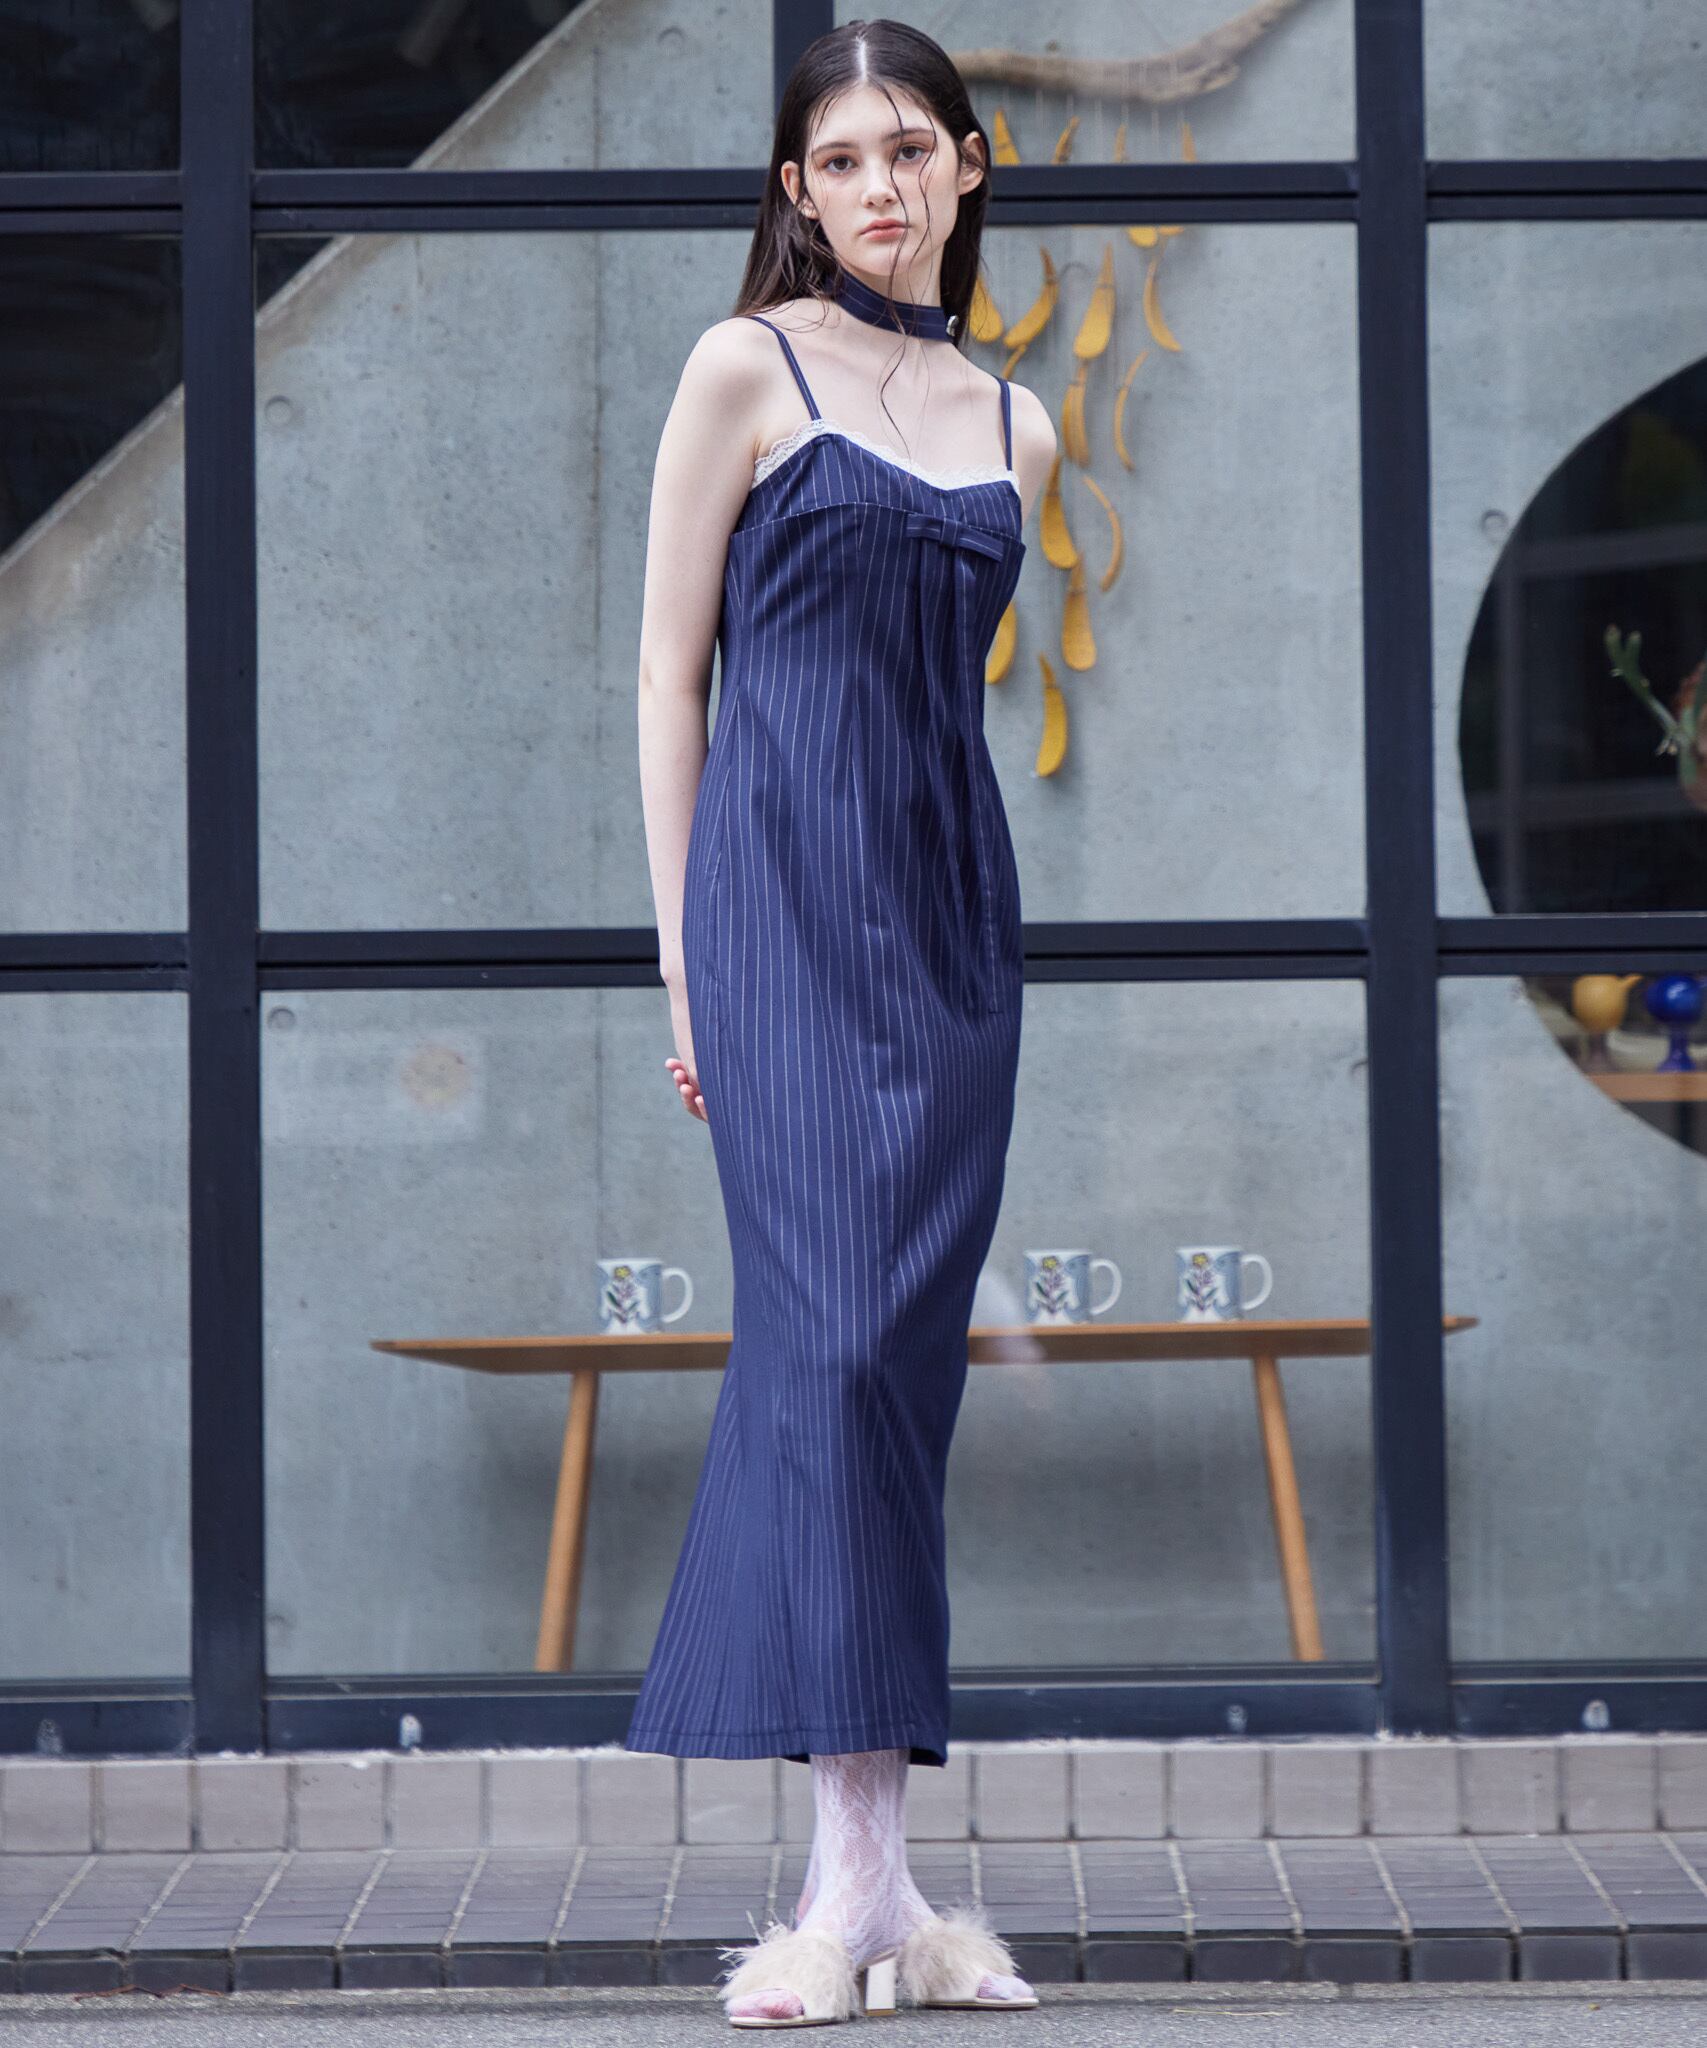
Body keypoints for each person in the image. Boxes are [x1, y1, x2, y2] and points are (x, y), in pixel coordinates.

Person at [629, 15, 1053, 2028]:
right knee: (829, 1348)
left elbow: (934, 709)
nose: (882, 184)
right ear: (796, 192)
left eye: (913, 148)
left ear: (970, 166)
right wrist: (681, 956)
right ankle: (849, 1892)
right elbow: (667, 674)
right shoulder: (747, 369)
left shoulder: (1015, 424)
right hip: (778, 917)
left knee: (890, 1370)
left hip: (950, 928)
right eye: (843, 158)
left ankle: (871, 1891)